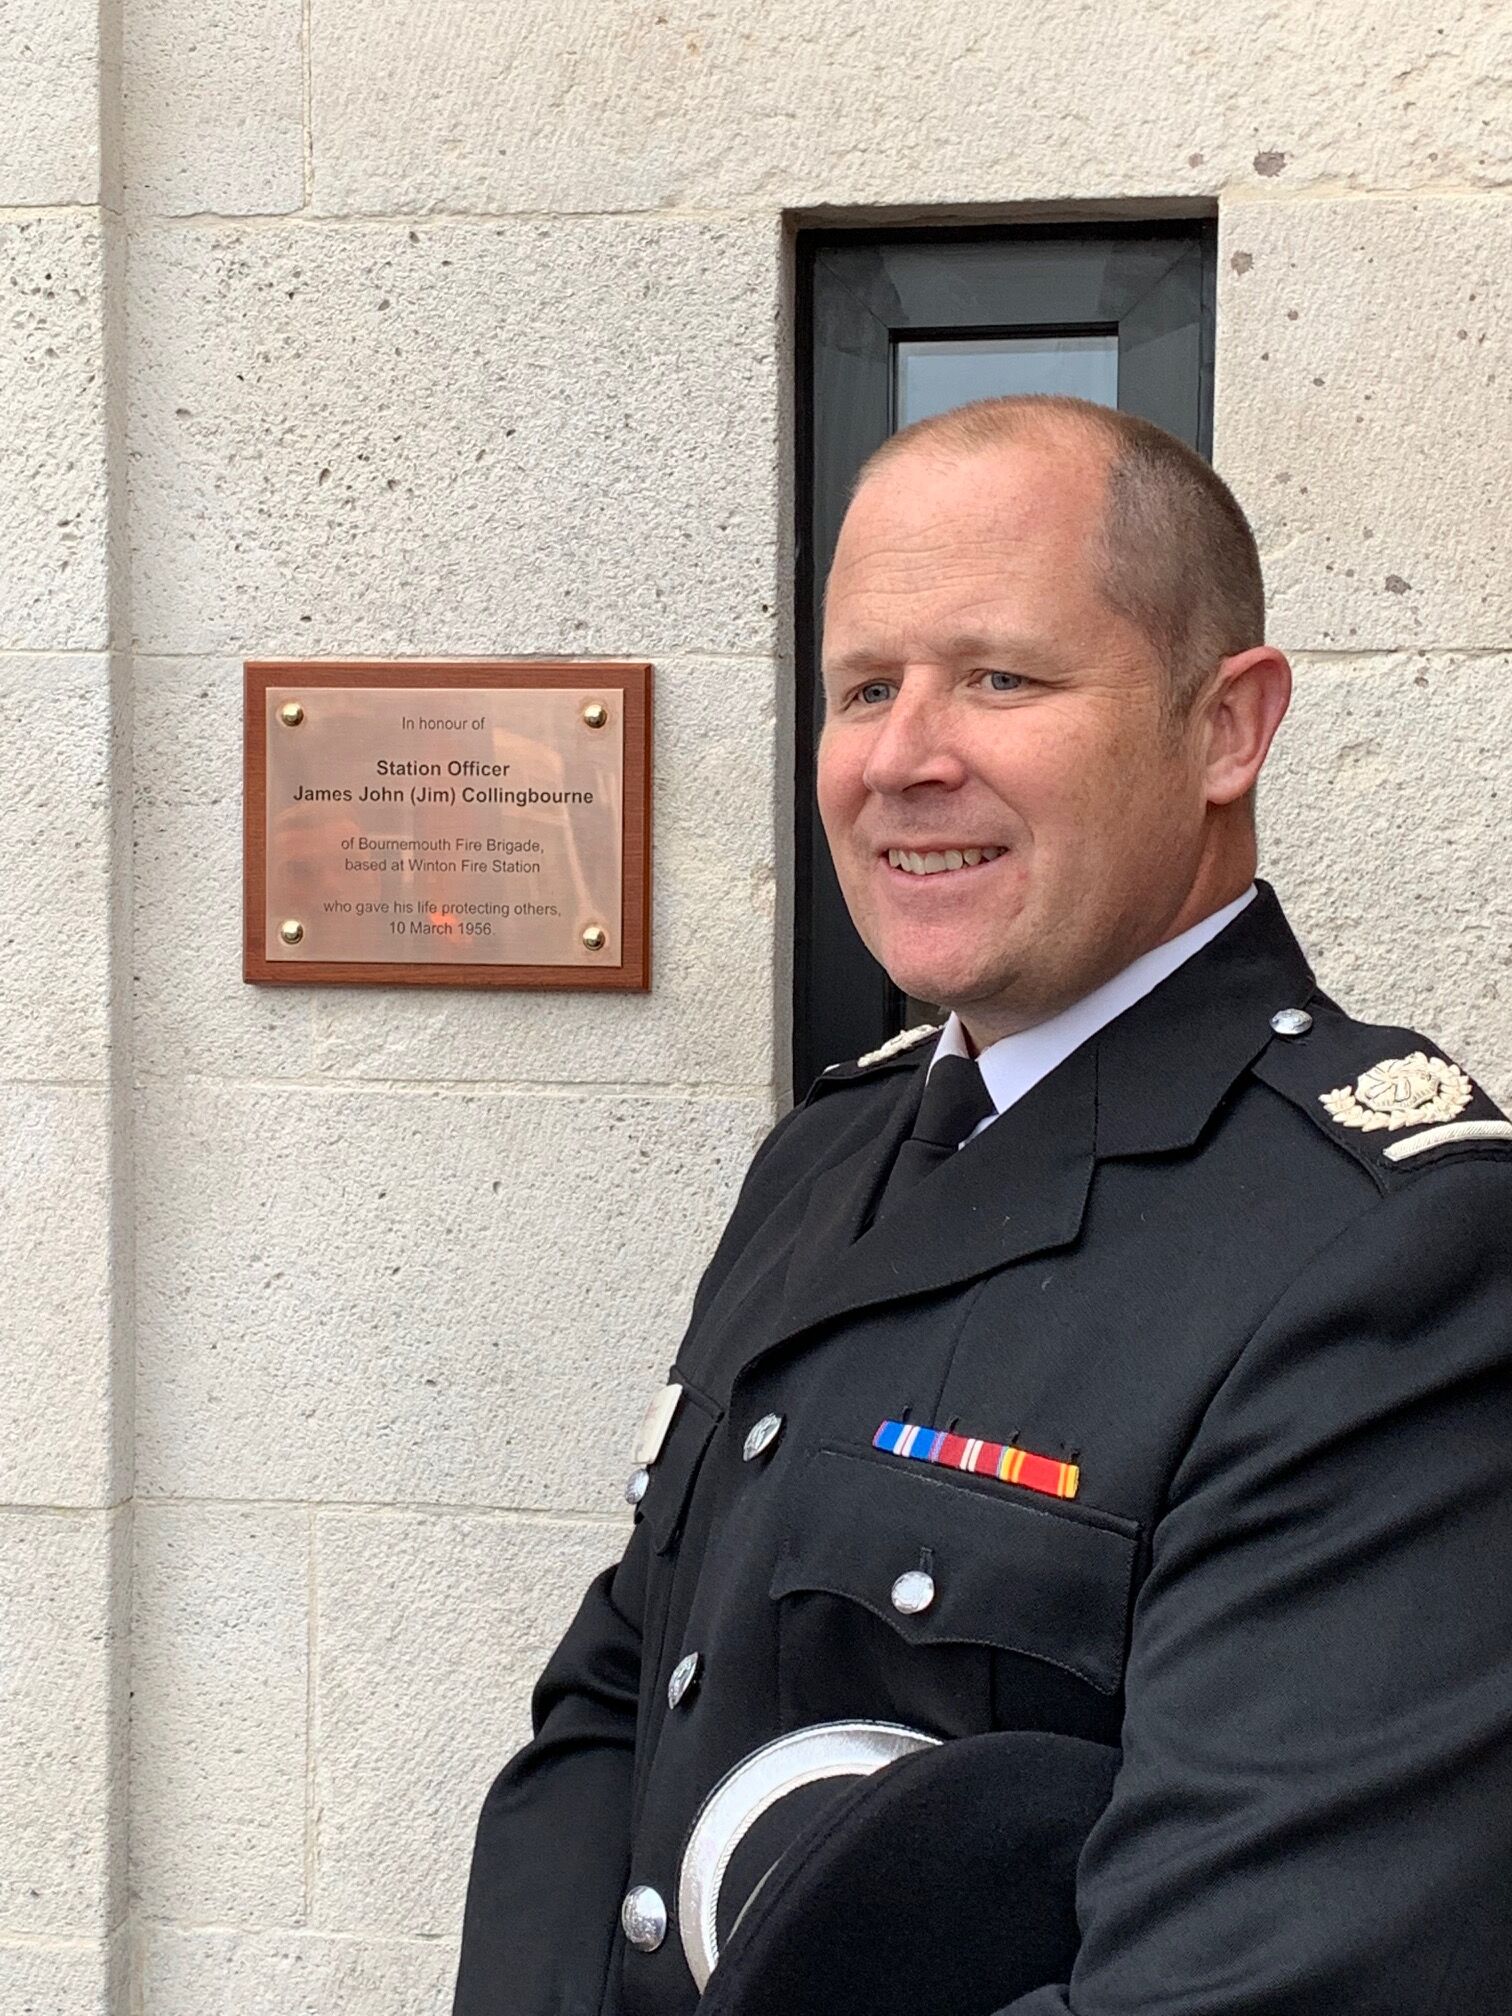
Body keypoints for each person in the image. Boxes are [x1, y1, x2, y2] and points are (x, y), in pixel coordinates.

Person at [452, 394, 1512, 2016]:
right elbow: (622, 1689)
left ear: (1228, 729)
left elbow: (1266, 1975)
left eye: (1000, 677)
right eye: (864, 688)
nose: (902, 758)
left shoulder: (1392, 1252)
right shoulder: (833, 1152)